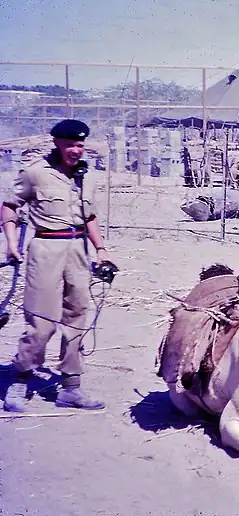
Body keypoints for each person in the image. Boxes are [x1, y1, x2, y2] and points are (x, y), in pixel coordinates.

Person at [1, 119, 110, 412]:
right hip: (46, 248)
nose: (76, 150)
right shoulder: (36, 173)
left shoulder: (87, 176)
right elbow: (10, 206)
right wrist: (11, 243)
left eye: (80, 144)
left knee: (77, 317)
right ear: (57, 143)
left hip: (78, 249)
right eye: (70, 144)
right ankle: (21, 378)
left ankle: (70, 387)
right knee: (41, 321)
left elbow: (89, 217)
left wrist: (101, 250)